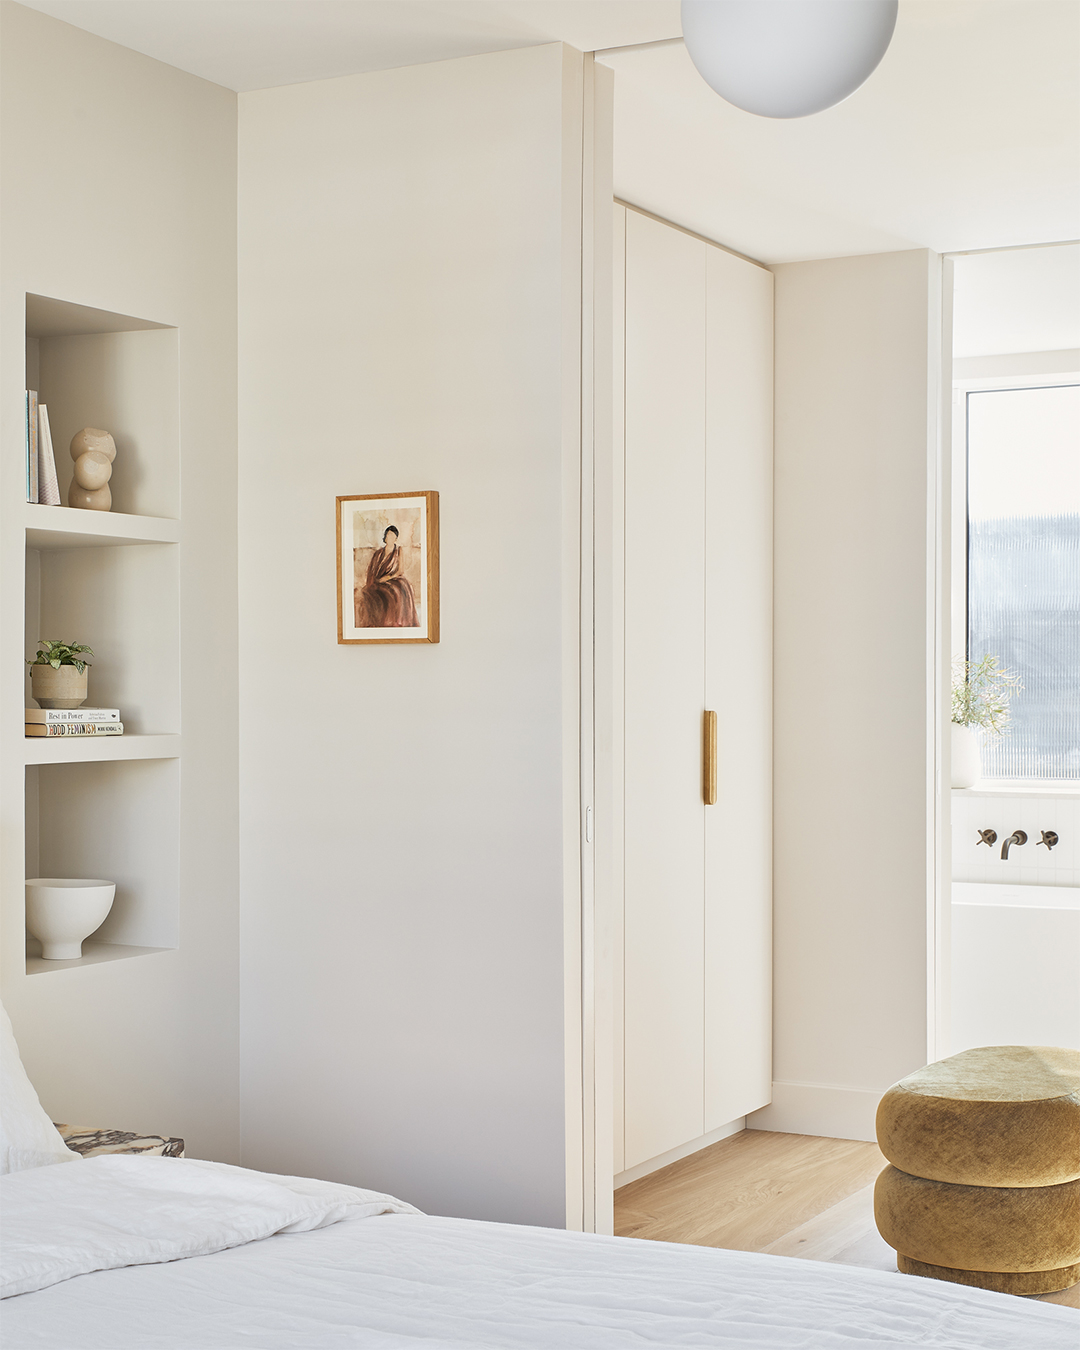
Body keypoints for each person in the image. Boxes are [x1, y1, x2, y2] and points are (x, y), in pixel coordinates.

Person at [356, 524, 419, 627]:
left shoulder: (399, 550)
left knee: (396, 592)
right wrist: (378, 580)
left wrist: (387, 578)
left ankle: (393, 622)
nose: (390, 537)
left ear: (396, 538)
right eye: (388, 535)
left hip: (394, 579)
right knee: (367, 593)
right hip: (379, 580)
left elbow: (400, 570)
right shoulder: (378, 553)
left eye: (393, 536)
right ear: (385, 537)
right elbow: (372, 570)